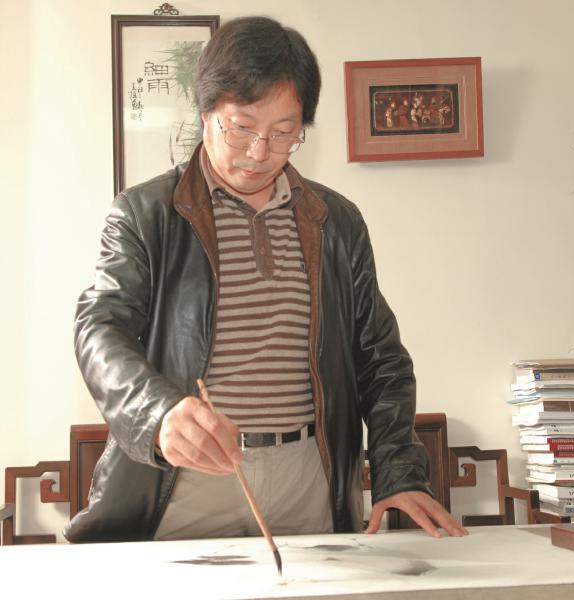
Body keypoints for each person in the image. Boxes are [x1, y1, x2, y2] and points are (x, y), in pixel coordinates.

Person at [65, 16, 465, 543]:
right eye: (241, 127)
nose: (259, 152)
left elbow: (380, 357)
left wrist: (400, 472)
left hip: (309, 475)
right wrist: (157, 412)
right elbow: (99, 327)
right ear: (206, 113)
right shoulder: (146, 213)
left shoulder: (336, 221)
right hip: (191, 477)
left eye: (283, 133)